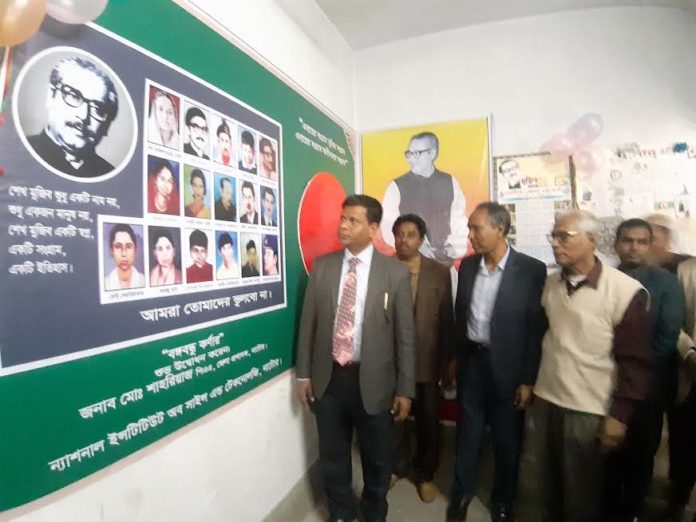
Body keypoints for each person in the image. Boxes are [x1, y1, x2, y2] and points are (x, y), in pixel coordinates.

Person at [296, 194, 415, 522]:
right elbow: (308, 324)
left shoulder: (394, 272)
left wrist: (405, 390)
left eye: (353, 220)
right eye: (342, 218)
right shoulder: (323, 267)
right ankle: (341, 513)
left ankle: (374, 512)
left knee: (377, 458)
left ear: (373, 229)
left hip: (376, 381)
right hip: (330, 379)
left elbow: (405, 336)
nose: (344, 226)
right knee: (332, 455)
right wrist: (303, 374)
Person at [531, 210, 652, 522]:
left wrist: (619, 416)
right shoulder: (551, 284)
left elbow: (635, 363)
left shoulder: (624, 292)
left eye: (564, 237)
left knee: (582, 496)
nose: (555, 244)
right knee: (549, 488)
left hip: (589, 409)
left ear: (592, 240)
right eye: (553, 236)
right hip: (547, 399)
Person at [447, 202, 546, 522]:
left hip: (510, 368)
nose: (470, 235)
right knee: (468, 434)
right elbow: (461, 315)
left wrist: (528, 379)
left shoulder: (531, 270)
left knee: (507, 439)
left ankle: (503, 500)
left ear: (500, 229)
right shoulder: (468, 266)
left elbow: (534, 328)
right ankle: (462, 494)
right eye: (469, 228)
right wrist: (455, 358)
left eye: (477, 228)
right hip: (472, 363)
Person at [604, 219, 684, 521]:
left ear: (650, 246)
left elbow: (667, 337)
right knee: (609, 452)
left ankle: (633, 511)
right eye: (627, 241)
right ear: (616, 244)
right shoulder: (606, 278)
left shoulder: (666, 283)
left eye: (641, 242)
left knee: (640, 455)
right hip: (608, 381)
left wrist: (634, 369)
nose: (633, 248)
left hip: (649, 386)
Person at [389, 214, 453, 503]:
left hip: (428, 359)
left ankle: (425, 474)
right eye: (399, 234)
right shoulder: (383, 269)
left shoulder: (439, 272)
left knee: (428, 420)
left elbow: (448, 320)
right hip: (391, 360)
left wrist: (447, 362)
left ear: (422, 239)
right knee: (394, 418)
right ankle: (397, 466)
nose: (404, 240)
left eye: (411, 235)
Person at [380, 131, 468, 263]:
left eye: (416, 153)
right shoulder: (396, 186)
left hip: (443, 262)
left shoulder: (450, 182)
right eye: (409, 154)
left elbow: (459, 218)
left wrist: (453, 246)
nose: (411, 159)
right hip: (409, 263)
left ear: (432, 154)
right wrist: (415, 245)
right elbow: (387, 225)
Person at [28, 56, 118, 178]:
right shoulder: (22, 151)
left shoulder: (111, 174)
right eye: (74, 96)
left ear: (107, 126)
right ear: (51, 96)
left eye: (98, 109)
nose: (83, 116)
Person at [668, 258, 696, 522]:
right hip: (690, 371)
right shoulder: (686, 270)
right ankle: (677, 500)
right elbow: (673, 320)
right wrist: (689, 351)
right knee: (684, 443)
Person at [105, 224, 145, 291]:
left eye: (128, 247)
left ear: (135, 250)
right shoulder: (106, 284)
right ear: (111, 251)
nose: (124, 254)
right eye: (118, 246)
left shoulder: (144, 281)